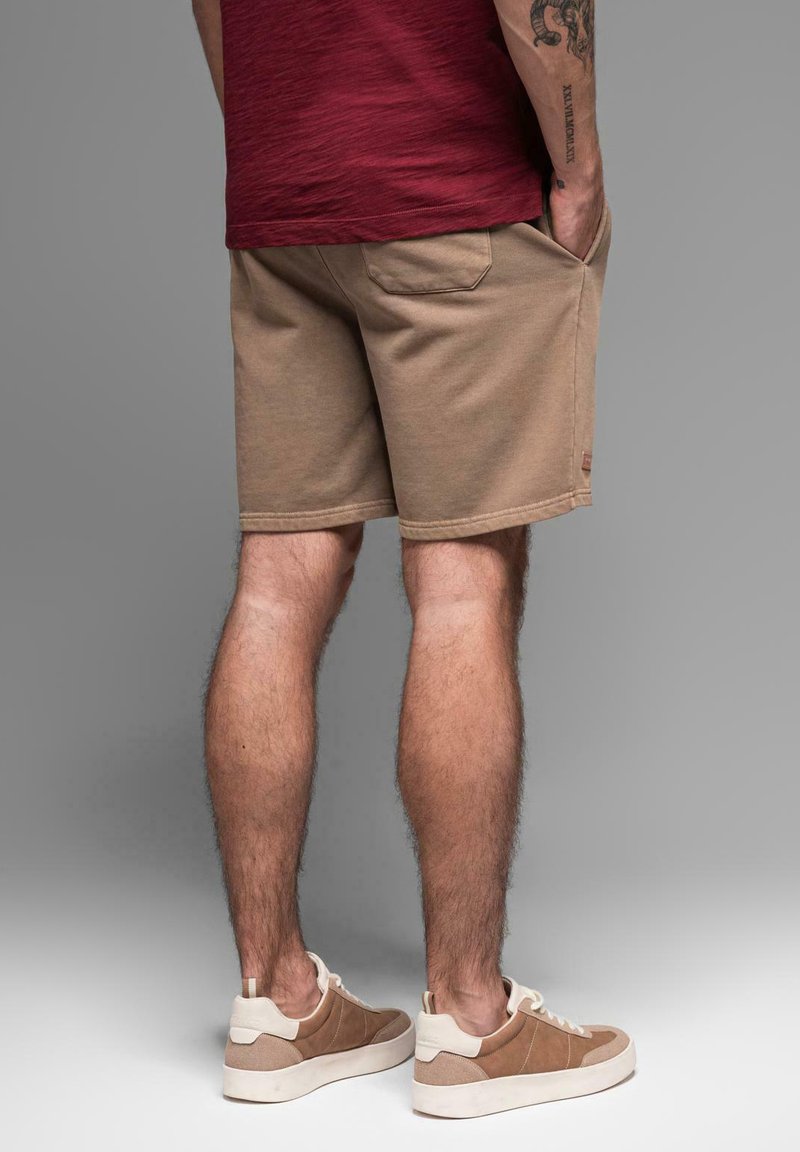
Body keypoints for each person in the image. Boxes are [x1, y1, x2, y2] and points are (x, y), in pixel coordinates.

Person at [191, 0, 634, 1118]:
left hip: (286, 198)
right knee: (463, 585)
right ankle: (472, 1024)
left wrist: (275, 135)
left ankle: (275, 1005)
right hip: (450, 187)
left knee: (275, 583)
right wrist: (578, 166)